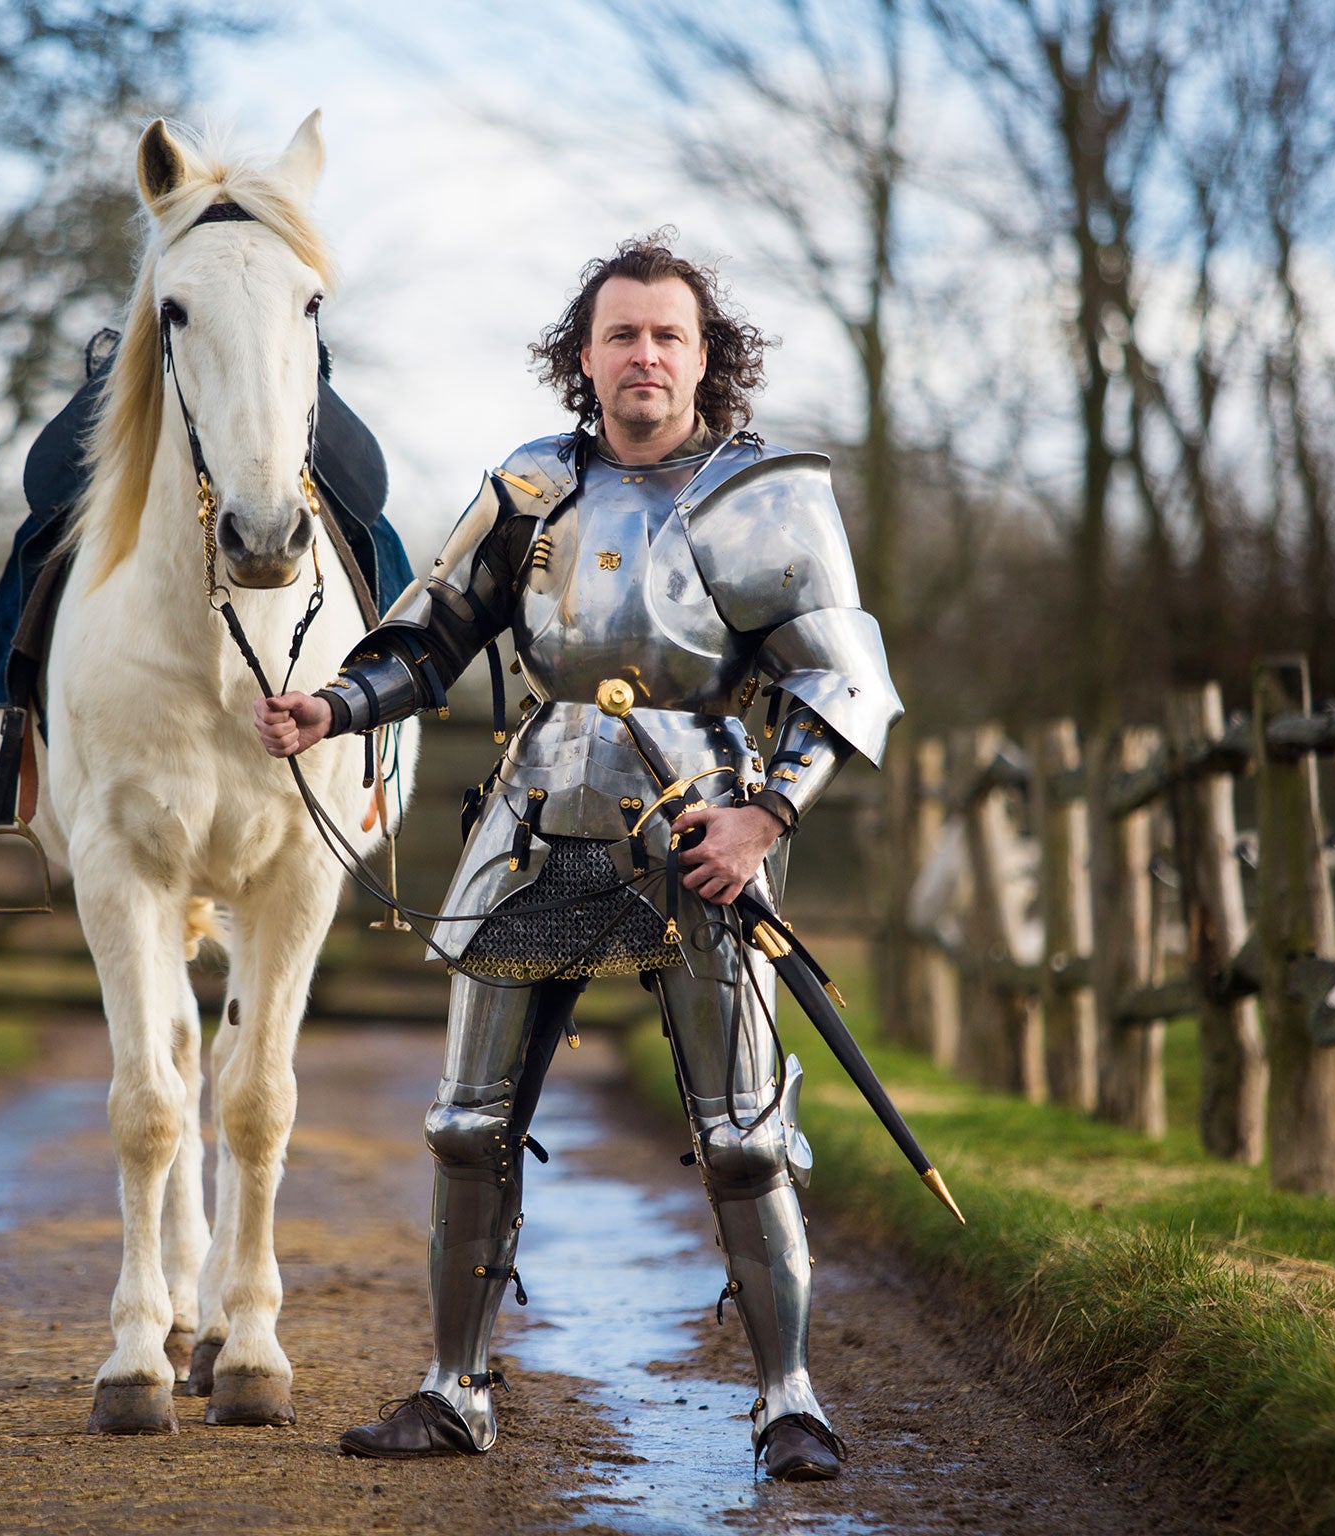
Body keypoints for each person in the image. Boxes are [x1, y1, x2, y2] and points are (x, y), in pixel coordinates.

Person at [252, 233, 901, 1482]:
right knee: (463, 1123)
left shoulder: (763, 492)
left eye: (667, 334)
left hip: (700, 826)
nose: (643, 354)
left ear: (705, 358)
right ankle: (452, 1391)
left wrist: (765, 816)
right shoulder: (530, 486)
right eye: (621, 334)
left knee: (744, 1138)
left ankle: (787, 1400)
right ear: (583, 356)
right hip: (533, 812)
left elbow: (841, 677)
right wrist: (333, 707)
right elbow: (431, 631)